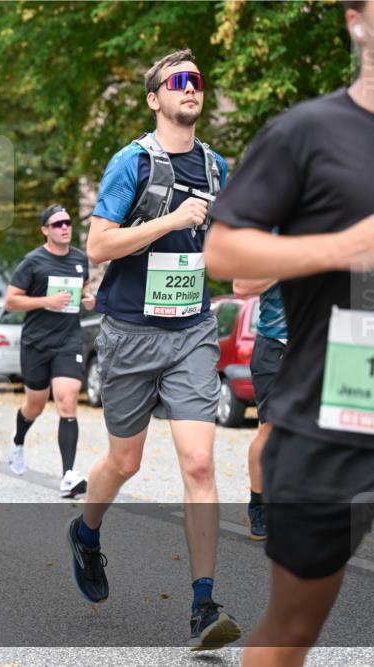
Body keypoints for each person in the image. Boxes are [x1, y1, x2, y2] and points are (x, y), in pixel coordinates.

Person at [205, 1, 374, 662]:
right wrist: (335, 248)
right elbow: (223, 255)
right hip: (327, 427)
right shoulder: (307, 132)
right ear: (356, 20)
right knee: (293, 628)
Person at [66, 49, 240, 651]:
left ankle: (203, 605)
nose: (191, 89)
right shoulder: (132, 162)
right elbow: (98, 246)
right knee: (125, 462)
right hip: (130, 332)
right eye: (178, 81)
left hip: (192, 330)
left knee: (198, 465)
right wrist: (169, 222)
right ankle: (86, 534)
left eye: (197, 81)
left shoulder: (218, 166)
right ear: (155, 98)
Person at [4, 204, 95, 497]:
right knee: (35, 405)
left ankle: (69, 475)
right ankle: (18, 441)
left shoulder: (80, 259)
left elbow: (86, 290)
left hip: (68, 341)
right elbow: (11, 301)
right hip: (36, 343)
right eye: (57, 224)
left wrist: (89, 299)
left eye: (67, 222)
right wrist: (45, 301)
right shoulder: (32, 262)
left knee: (67, 402)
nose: (65, 227)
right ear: (45, 230)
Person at [232, 268, 286, 542]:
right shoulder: (269, 232)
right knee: (270, 430)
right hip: (276, 345)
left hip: (320, 344)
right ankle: (259, 505)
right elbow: (241, 284)